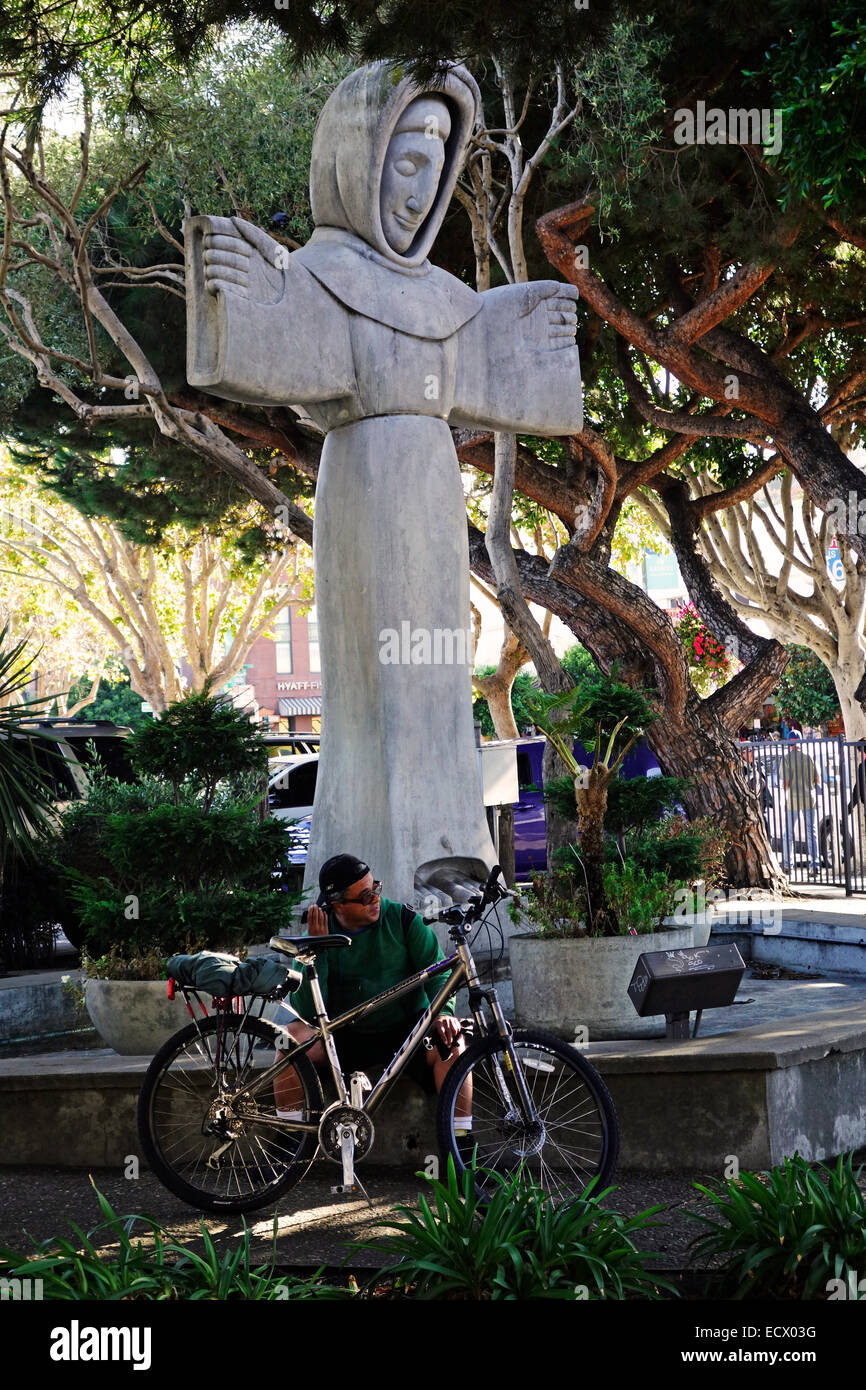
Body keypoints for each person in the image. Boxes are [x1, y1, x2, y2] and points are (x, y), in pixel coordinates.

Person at [274, 854, 470, 1126]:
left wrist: (443, 1013)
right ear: (337, 905)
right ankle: (290, 1136)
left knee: (454, 1040)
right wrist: (315, 953)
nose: (375, 899)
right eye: (365, 896)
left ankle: (461, 1141)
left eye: (375, 889)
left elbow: (439, 973)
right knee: (288, 1040)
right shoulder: (320, 930)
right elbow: (306, 1011)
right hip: (344, 1033)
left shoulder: (402, 920)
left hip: (407, 1031)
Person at [781, 735, 821, 876]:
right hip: (809, 799)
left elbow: (785, 783)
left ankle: (787, 865)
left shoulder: (786, 758)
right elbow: (817, 779)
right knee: (812, 832)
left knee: (788, 833)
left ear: (789, 743)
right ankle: (815, 865)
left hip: (793, 799)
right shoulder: (809, 756)